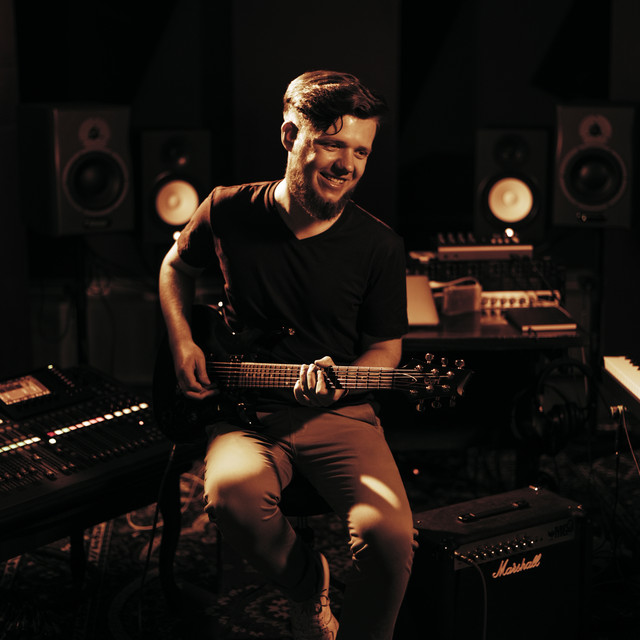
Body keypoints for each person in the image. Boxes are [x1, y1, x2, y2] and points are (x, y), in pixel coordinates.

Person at [158, 70, 416, 640]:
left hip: (339, 412)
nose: (347, 165)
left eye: (361, 152)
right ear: (289, 136)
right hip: (244, 413)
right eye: (332, 144)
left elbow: (385, 350)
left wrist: (346, 381)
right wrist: (183, 342)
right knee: (231, 495)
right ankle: (307, 585)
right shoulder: (226, 208)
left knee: (391, 538)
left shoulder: (380, 246)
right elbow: (175, 265)